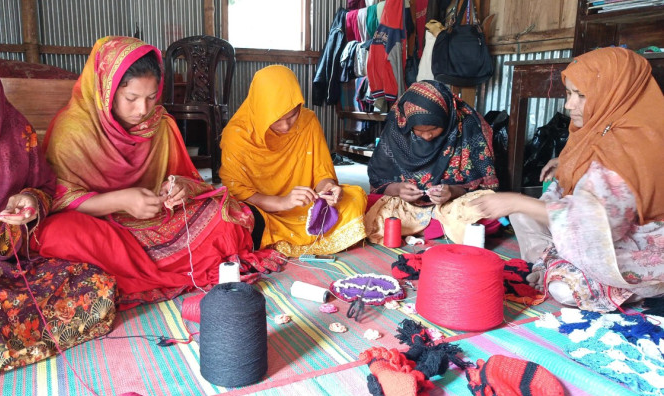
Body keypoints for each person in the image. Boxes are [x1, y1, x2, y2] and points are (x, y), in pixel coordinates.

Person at [34, 36, 280, 310]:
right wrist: (121, 201)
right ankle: (157, 267)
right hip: (102, 227)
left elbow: (188, 180)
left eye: (152, 98)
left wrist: (177, 188)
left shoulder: (160, 124)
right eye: (131, 98)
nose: (142, 110)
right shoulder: (73, 131)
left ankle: (141, 267)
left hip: (157, 222)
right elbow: (56, 200)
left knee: (230, 215)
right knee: (55, 234)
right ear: (106, 91)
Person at [0, 26, 116, 384]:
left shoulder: (13, 127)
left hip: (11, 261)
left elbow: (44, 185)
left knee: (97, 287)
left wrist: (30, 201)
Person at [471, 47, 664, 312]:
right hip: (586, 225)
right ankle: (558, 262)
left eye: (581, 96)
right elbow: (580, 179)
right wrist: (566, 166)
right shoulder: (600, 127)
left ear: (614, 94)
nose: (568, 105)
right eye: (569, 93)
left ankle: (560, 268)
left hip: (634, 242)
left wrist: (518, 202)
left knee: (564, 288)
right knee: (520, 215)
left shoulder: (633, 145)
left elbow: (597, 225)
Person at [220, 65, 367, 257]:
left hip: (304, 209)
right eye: (277, 119)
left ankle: (280, 241)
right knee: (232, 217)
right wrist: (283, 202)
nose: (287, 125)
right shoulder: (237, 134)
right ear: (259, 110)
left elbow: (322, 174)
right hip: (263, 212)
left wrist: (328, 189)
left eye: (292, 115)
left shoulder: (308, 121)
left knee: (355, 198)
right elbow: (238, 192)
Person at [365, 80, 499, 244]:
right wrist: (398, 189)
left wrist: (451, 191)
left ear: (447, 118)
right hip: (406, 206)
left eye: (434, 129)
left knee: (490, 212)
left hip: (453, 205)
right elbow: (379, 179)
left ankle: (422, 228)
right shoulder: (397, 128)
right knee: (364, 207)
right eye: (419, 131)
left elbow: (481, 183)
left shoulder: (466, 125)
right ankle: (438, 229)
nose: (427, 136)